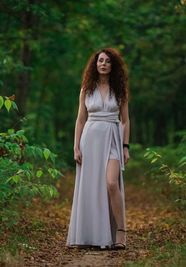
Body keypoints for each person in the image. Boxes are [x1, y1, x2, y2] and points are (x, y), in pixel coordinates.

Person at [66, 47, 130, 250]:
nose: (103, 64)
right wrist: (76, 147)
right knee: (91, 187)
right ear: (95, 65)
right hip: (90, 140)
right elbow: (80, 119)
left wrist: (125, 147)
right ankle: (92, 234)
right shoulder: (87, 89)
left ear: (113, 65)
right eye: (100, 60)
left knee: (112, 183)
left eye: (108, 61)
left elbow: (126, 121)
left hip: (112, 138)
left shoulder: (120, 90)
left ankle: (121, 233)